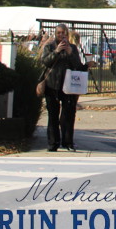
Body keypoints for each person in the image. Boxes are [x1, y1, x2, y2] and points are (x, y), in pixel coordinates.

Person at [40, 24, 95, 152]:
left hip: (69, 85)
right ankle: (53, 143)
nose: (61, 35)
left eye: (64, 33)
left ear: (67, 34)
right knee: (53, 115)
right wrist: (56, 51)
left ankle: (68, 142)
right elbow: (45, 62)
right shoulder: (49, 47)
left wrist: (71, 54)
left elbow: (78, 66)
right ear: (55, 34)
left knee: (68, 115)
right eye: (59, 33)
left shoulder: (73, 48)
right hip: (52, 85)